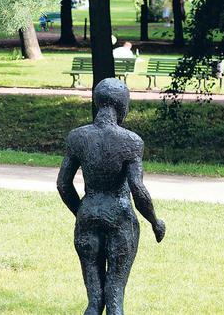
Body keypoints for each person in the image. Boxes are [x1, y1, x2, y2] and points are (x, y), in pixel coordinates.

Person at [57, 79, 166, 315]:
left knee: (95, 300)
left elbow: (63, 185)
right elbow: (138, 190)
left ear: (97, 103)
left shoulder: (77, 137)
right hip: (120, 217)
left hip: (88, 213)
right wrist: (155, 222)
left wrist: (84, 212)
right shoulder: (131, 142)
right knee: (115, 296)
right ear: (123, 106)